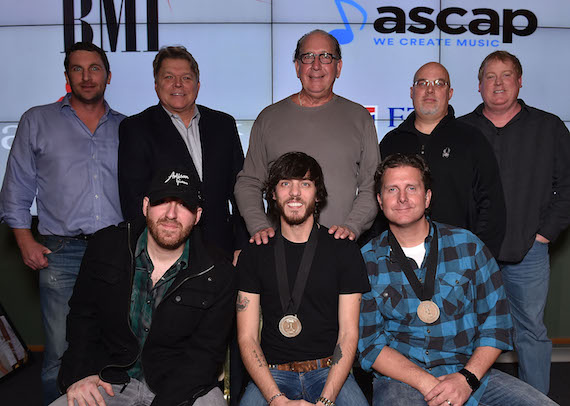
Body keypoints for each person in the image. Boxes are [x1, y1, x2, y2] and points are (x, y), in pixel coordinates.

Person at [358, 153, 557, 406]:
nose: (402, 198)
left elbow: (496, 325)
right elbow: (370, 345)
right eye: (392, 189)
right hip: (400, 381)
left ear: (427, 197)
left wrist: (465, 380)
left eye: (411, 188)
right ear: (379, 200)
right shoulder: (366, 261)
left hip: (471, 375)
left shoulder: (468, 246)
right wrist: (430, 384)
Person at [0, 42, 124, 404]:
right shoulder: (37, 120)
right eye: (77, 69)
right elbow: (17, 187)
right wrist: (24, 240)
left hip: (115, 253)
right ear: (67, 75)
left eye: (95, 68)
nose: (87, 77)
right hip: (61, 252)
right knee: (59, 352)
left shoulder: (126, 127)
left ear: (108, 76)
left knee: (118, 348)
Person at [51, 167, 235, 406]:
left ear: (197, 215)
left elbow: (206, 355)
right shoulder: (106, 247)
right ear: (146, 205)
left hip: (179, 384)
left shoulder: (218, 271)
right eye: (162, 202)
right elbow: (82, 319)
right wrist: (80, 376)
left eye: (183, 205)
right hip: (109, 378)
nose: (171, 214)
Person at [459, 50, 570, 395]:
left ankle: (537, 400)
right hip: (471, 256)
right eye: (490, 76)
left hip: (528, 253)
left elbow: (567, 185)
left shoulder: (549, 127)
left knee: (531, 332)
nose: (498, 83)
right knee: (465, 333)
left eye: (506, 75)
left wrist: (544, 235)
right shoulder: (461, 129)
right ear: (479, 86)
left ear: (519, 82)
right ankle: (466, 397)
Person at [237, 152, 370, 405]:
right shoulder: (255, 252)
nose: (295, 193)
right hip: (272, 374)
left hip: (330, 372)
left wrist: (326, 400)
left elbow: (349, 334)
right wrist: (277, 400)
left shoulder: (344, 250)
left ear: (318, 195)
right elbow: (247, 337)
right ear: (273, 194)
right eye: (285, 183)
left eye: (305, 184)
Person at [235, 29, 379, 245]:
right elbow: (249, 182)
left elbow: (373, 185)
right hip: (279, 250)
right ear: (297, 67)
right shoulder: (268, 118)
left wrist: (352, 227)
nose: (316, 65)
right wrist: (259, 226)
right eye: (308, 57)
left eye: (326, 56)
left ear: (338, 67)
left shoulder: (360, 117)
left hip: (338, 249)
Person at [119, 45, 248, 261]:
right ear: (156, 85)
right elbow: (134, 200)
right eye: (169, 77)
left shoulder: (223, 124)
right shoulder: (136, 128)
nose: (178, 84)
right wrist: (147, 255)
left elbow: (240, 190)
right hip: (165, 252)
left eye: (186, 77)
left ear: (197, 85)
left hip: (221, 250)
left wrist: (242, 245)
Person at [376, 62, 505, 258]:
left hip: (459, 256)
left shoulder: (472, 139)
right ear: (412, 91)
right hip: (398, 258)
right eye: (422, 83)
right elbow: (377, 203)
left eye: (439, 83)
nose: (430, 90)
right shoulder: (391, 142)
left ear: (450, 92)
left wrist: (479, 257)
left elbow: (492, 206)